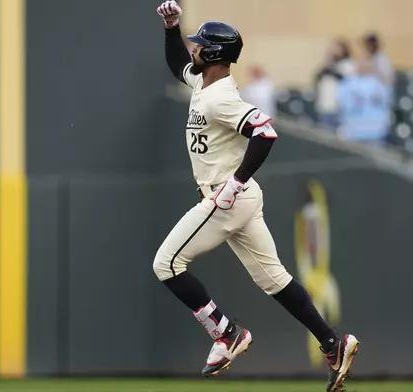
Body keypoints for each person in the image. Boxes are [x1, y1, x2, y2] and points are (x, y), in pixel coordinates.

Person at [154, 2, 359, 391]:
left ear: (213, 54)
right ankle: (334, 343)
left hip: (224, 197)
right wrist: (172, 27)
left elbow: (265, 133)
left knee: (167, 265)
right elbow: (178, 63)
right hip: (240, 198)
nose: (193, 48)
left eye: (199, 45)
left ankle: (227, 334)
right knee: (275, 280)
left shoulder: (222, 98)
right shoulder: (204, 84)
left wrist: (234, 183)